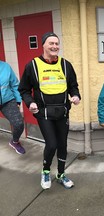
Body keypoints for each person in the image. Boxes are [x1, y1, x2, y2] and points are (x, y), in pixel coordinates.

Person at [18, 32, 81, 189]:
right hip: (44, 112)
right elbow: (24, 89)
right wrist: (30, 102)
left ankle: (61, 175)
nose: (54, 46)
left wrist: (75, 96)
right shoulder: (32, 65)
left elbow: (73, 85)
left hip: (62, 112)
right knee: (51, 144)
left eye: (56, 44)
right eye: (51, 43)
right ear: (43, 45)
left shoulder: (66, 65)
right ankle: (45, 171)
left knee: (63, 145)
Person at [0, 60, 25, 154]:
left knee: (19, 124)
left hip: (7, 100)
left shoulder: (5, 66)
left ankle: (15, 142)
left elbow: (15, 84)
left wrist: (18, 100)